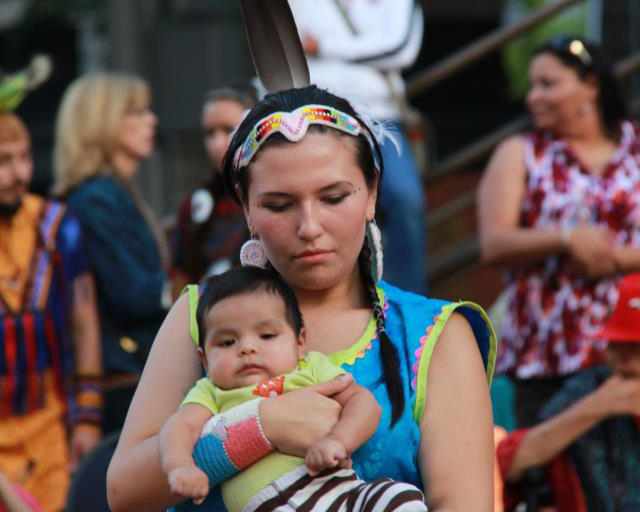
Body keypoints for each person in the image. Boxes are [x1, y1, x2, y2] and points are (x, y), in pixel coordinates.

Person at [107, 84, 496, 512]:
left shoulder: (434, 335)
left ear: (371, 193)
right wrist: (259, 427)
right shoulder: (201, 315)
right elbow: (125, 494)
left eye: (333, 197)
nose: (309, 226)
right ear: (247, 209)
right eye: (278, 205)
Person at [160, 266, 426, 511]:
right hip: (273, 506)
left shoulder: (310, 369)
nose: (247, 348)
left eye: (267, 335)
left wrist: (339, 440)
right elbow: (180, 427)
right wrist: (180, 466)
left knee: (399, 497)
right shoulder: (211, 391)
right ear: (204, 358)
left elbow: (363, 403)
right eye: (227, 341)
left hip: (342, 495)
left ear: (300, 343)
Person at [478, 37, 638, 427]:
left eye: (548, 84)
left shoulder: (636, 147)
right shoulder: (520, 152)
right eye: (532, 86)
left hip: (632, 353)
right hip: (547, 356)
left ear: (592, 85)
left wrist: (617, 258)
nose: (534, 97)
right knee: (550, 479)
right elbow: (493, 242)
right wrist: (566, 239)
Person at [52, 72, 171, 435]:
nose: (151, 119)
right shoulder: (96, 198)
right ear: (102, 124)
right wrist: (192, 286)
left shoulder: (108, 193)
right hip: (123, 379)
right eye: (136, 111)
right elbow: (132, 296)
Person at [288, 0, 428, 294]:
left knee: (405, 202)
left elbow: (398, 50)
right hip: (316, 116)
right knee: (318, 207)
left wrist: (325, 47)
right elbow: (291, 49)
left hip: (380, 117)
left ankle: (402, 304)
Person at [0, 111, 102, 512]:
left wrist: (89, 420)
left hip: (48, 429)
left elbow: (84, 322)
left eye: (24, 157)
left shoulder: (58, 224)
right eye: (4, 161)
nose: (19, 173)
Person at [497, 272, 640, 512]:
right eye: (616, 345)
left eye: (634, 348)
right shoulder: (592, 387)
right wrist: (600, 406)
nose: (623, 360)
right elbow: (508, 463)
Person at [170, 86, 254, 298]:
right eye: (209, 133)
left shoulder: (277, 194)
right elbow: (179, 285)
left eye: (228, 130)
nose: (217, 144)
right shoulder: (195, 204)